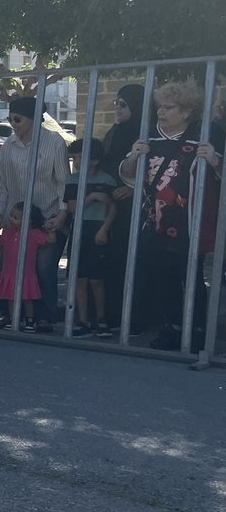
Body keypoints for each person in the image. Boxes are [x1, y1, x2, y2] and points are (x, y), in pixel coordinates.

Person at [118, 79, 223, 351]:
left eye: (169, 107)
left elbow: (219, 176)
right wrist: (133, 158)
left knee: (192, 277)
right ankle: (172, 327)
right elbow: (128, 176)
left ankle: (196, 331)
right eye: (160, 106)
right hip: (154, 221)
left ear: (186, 111)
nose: (161, 112)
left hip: (189, 222)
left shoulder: (203, 138)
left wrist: (215, 160)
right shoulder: (149, 139)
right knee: (163, 277)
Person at [0, 96, 70, 330]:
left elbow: (64, 183)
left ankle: (44, 317)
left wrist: (62, 214)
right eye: (10, 119)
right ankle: (7, 313)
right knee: (6, 266)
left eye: (18, 119)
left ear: (34, 119)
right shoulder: (9, 145)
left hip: (47, 217)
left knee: (43, 266)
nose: (13, 124)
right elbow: (1, 183)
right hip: (16, 219)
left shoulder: (54, 142)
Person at [100, 84, 145, 331]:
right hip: (111, 203)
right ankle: (113, 313)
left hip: (135, 208)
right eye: (116, 103)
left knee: (133, 260)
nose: (117, 109)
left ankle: (134, 317)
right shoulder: (116, 131)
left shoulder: (145, 131)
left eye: (123, 104)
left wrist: (134, 188)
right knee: (113, 260)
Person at [64, 138, 118, 338]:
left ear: (95, 160)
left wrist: (104, 229)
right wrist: (91, 197)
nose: (78, 161)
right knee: (79, 278)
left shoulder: (107, 180)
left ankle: (101, 318)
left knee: (97, 279)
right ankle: (83, 319)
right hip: (79, 229)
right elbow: (72, 208)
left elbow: (112, 208)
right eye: (75, 157)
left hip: (99, 228)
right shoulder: (71, 180)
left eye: (82, 157)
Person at [0, 202, 53, 332]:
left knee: (27, 298)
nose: (11, 219)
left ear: (28, 220)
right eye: (11, 216)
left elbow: (50, 240)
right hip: (9, 272)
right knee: (10, 297)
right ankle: (13, 318)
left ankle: (29, 320)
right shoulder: (8, 232)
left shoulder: (34, 233)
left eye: (15, 217)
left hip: (27, 273)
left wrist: (50, 228)